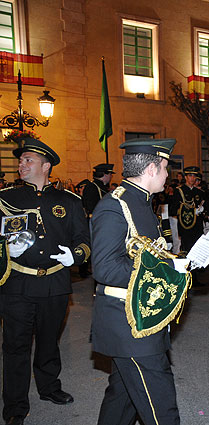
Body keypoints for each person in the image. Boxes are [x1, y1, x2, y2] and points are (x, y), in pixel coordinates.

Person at [91, 137, 189, 425]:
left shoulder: (143, 202)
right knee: (161, 407)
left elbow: (148, 253)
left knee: (122, 399)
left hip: (142, 313)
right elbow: (106, 268)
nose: (168, 174)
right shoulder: (115, 206)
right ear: (150, 169)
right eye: (165, 168)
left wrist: (174, 262)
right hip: (128, 323)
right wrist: (165, 270)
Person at [0, 136, 90, 425]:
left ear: (46, 165)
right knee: (15, 345)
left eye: (28, 160)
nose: (21, 165)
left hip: (54, 283)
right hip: (18, 284)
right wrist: (5, 249)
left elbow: (84, 241)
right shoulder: (5, 199)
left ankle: (49, 388)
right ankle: (15, 405)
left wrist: (74, 257)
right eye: (21, 160)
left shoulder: (69, 201)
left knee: (49, 341)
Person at [169, 166, 207, 285]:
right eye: (190, 175)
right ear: (186, 177)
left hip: (197, 227)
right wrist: (191, 211)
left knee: (197, 251)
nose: (192, 178)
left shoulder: (199, 192)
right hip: (185, 227)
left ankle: (194, 278)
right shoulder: (179, 191)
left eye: (194, 176)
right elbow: (173, 209)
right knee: (186, 251)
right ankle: (185, 277)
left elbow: (204, 206)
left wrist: (202, 209)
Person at [80, 163, 115, 278]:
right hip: (95, 223)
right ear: (105, 174)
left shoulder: (102, 187)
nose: (111, 177)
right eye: (110, 174)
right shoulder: (92, 187)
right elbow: (91, 206)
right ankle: (85, 270)